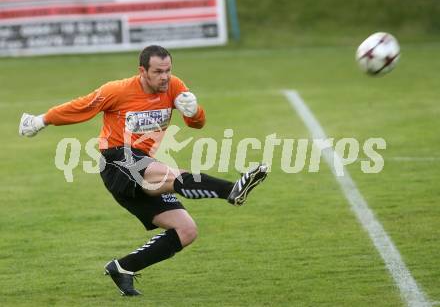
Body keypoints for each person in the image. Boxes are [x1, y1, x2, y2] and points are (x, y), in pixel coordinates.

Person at [18, 45, 268, 296]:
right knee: (171, 174)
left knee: (186, 230)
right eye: (158, 71)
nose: (165, 77)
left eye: (168, 70)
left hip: (144, 164)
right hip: (116, 160)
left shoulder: (174, 86)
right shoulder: (116, 90)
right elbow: (81, 107)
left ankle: (122, 268)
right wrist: (41, 120)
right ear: (142, 71)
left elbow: (197, 124)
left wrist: (195, 111)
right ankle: (231, 191)